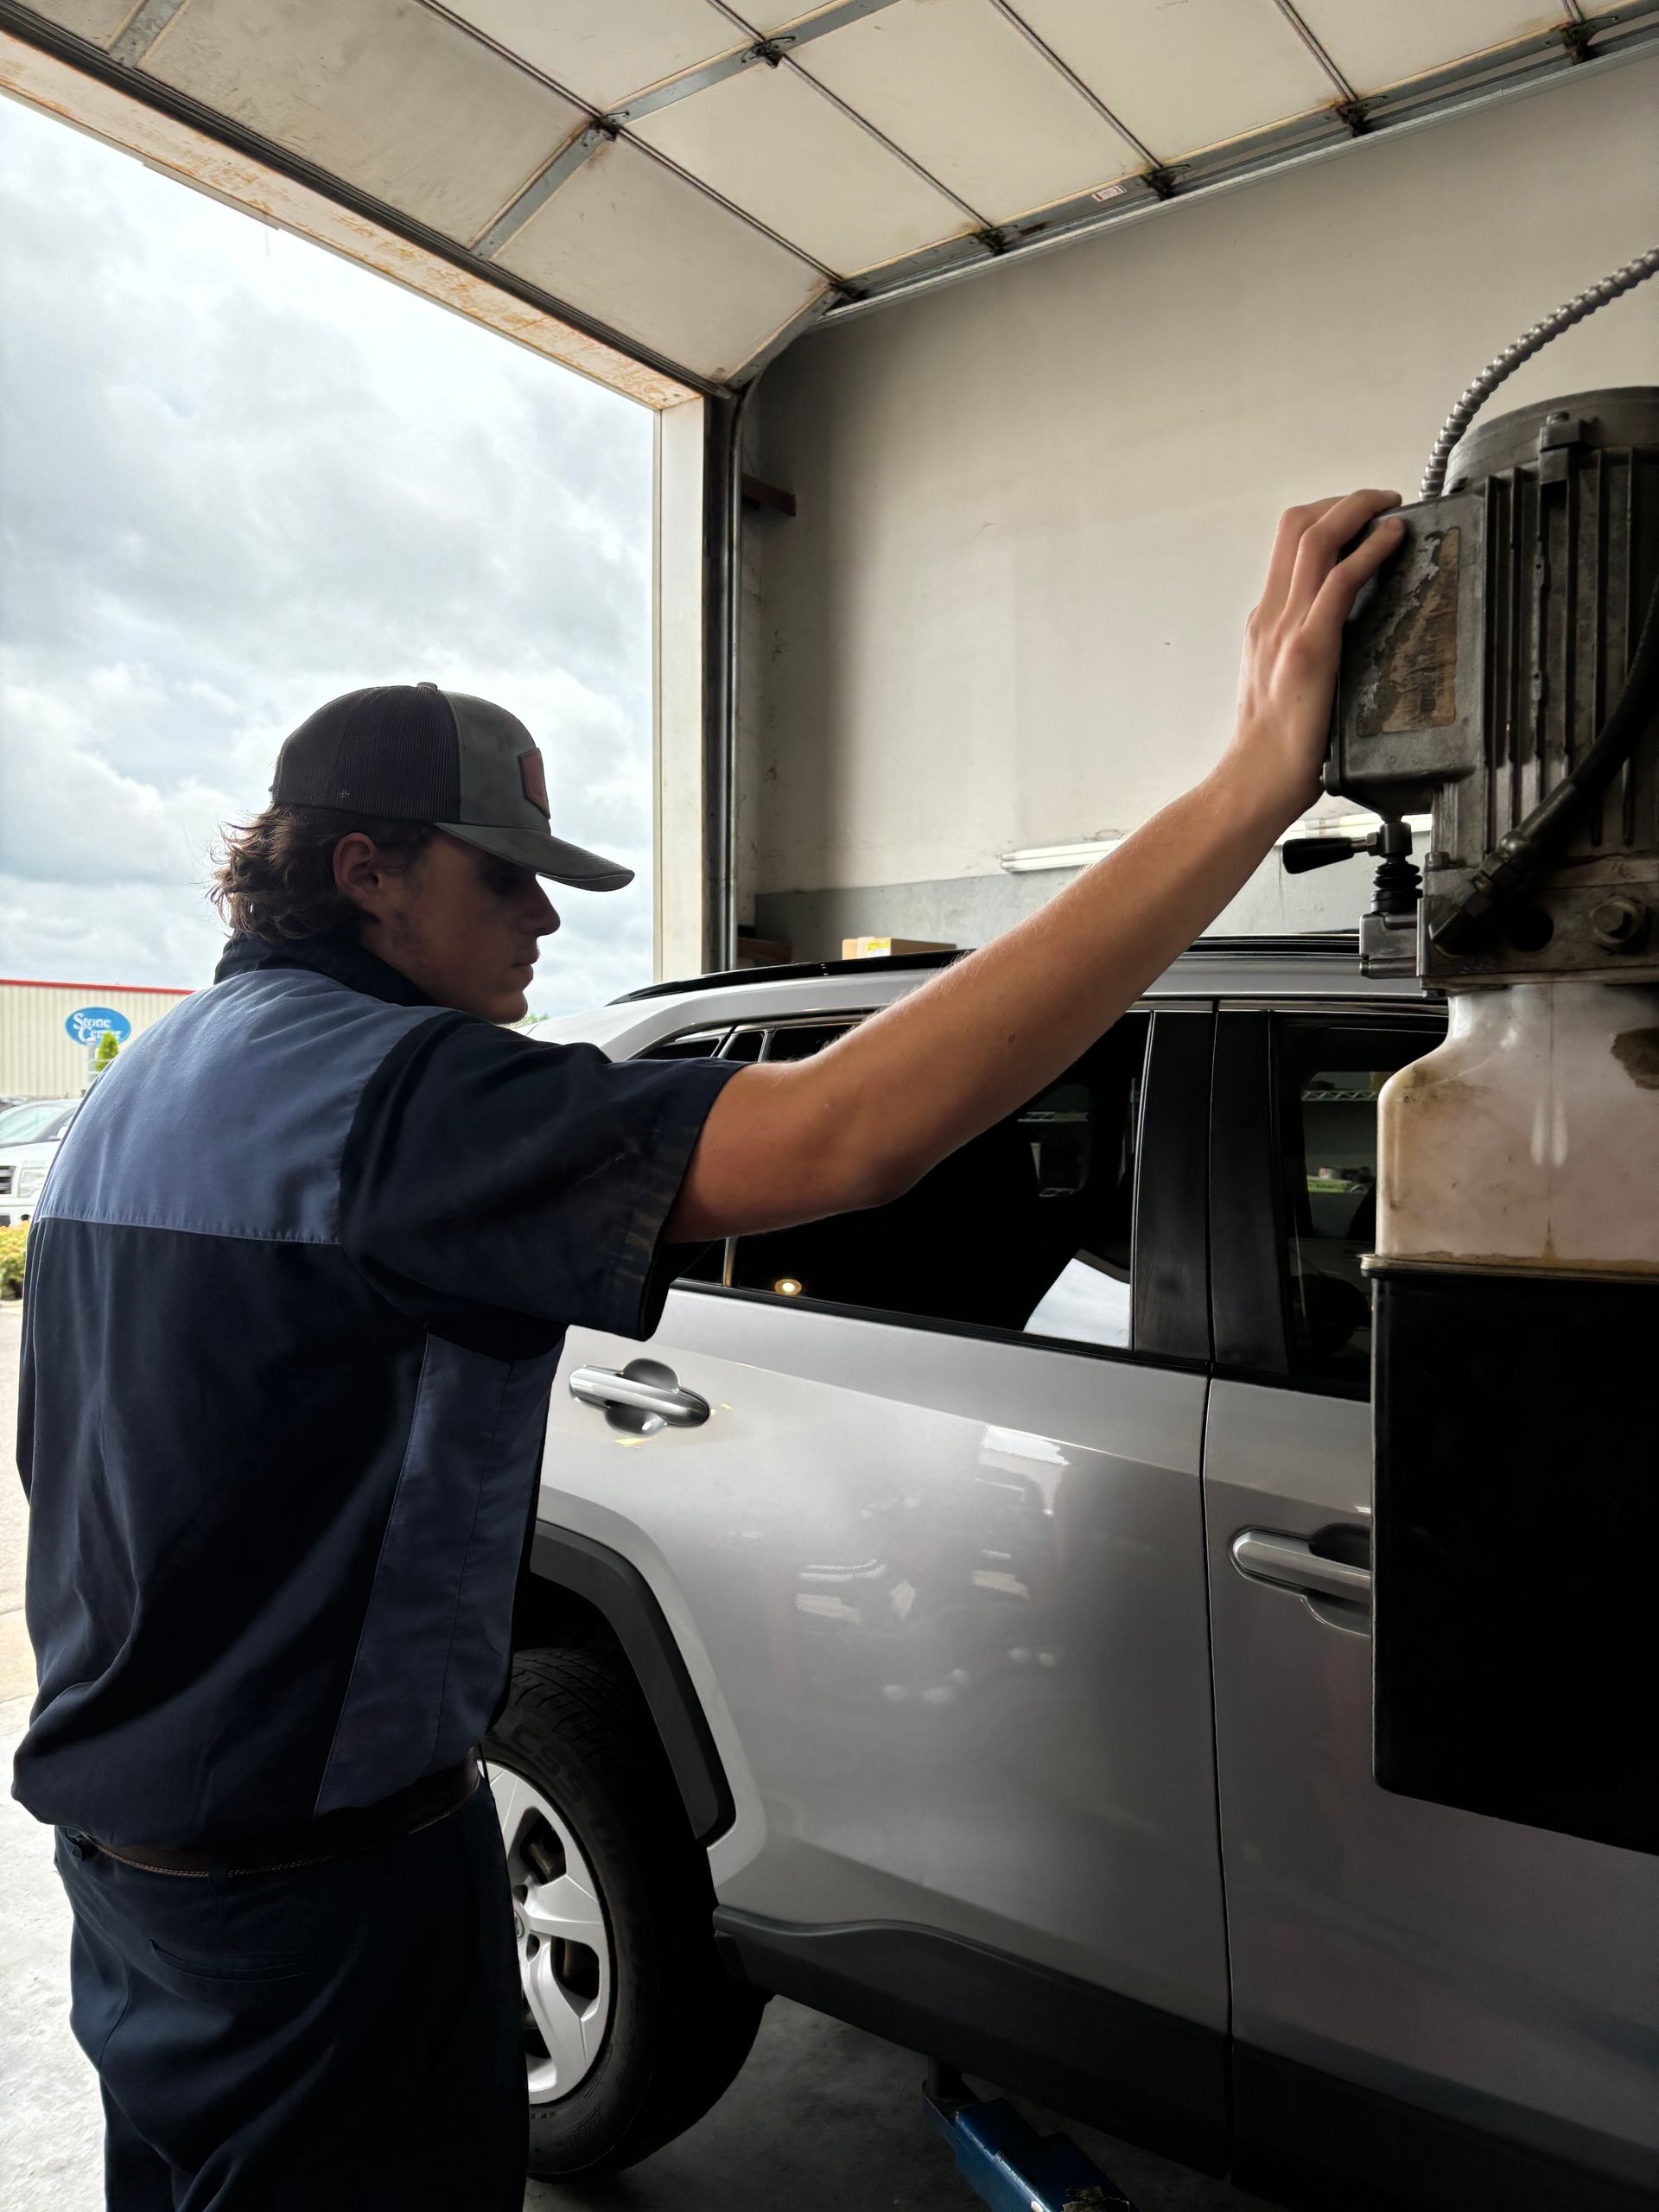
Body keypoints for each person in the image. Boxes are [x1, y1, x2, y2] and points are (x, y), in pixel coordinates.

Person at [14, 489, 1403, 2209]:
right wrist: (1250, 782)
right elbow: (840, 1143)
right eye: (500, 874)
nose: (541, 920)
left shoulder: (146, 1085)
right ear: (363, 868)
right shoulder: (391, 1097)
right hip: (314, 1891)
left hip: (140, 1868)